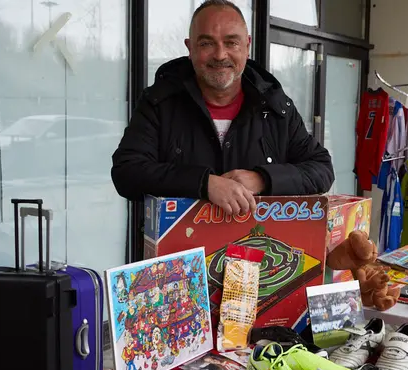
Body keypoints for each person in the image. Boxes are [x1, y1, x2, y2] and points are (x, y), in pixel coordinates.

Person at [111, 0, 335, 216]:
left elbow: (322, 169)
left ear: (247, 46)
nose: (219, 55)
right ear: (190, 48)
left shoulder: (276, 108)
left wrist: (263, 179)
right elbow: (127, 172)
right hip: (182, 252)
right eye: (206, 43)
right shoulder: (159, 103)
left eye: (231, 43)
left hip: (258, 250)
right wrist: (204, 183)